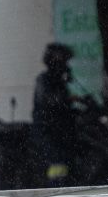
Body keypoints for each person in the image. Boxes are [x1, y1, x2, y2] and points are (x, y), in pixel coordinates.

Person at [33, 42, 78, 186]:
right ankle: (57, 187)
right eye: (64, 62)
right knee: (58, 163)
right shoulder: (44, 80)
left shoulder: (59, 82)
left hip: (62, 131)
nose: (66, 66)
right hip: (49, 131)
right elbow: (49, 102)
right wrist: (68, 99)